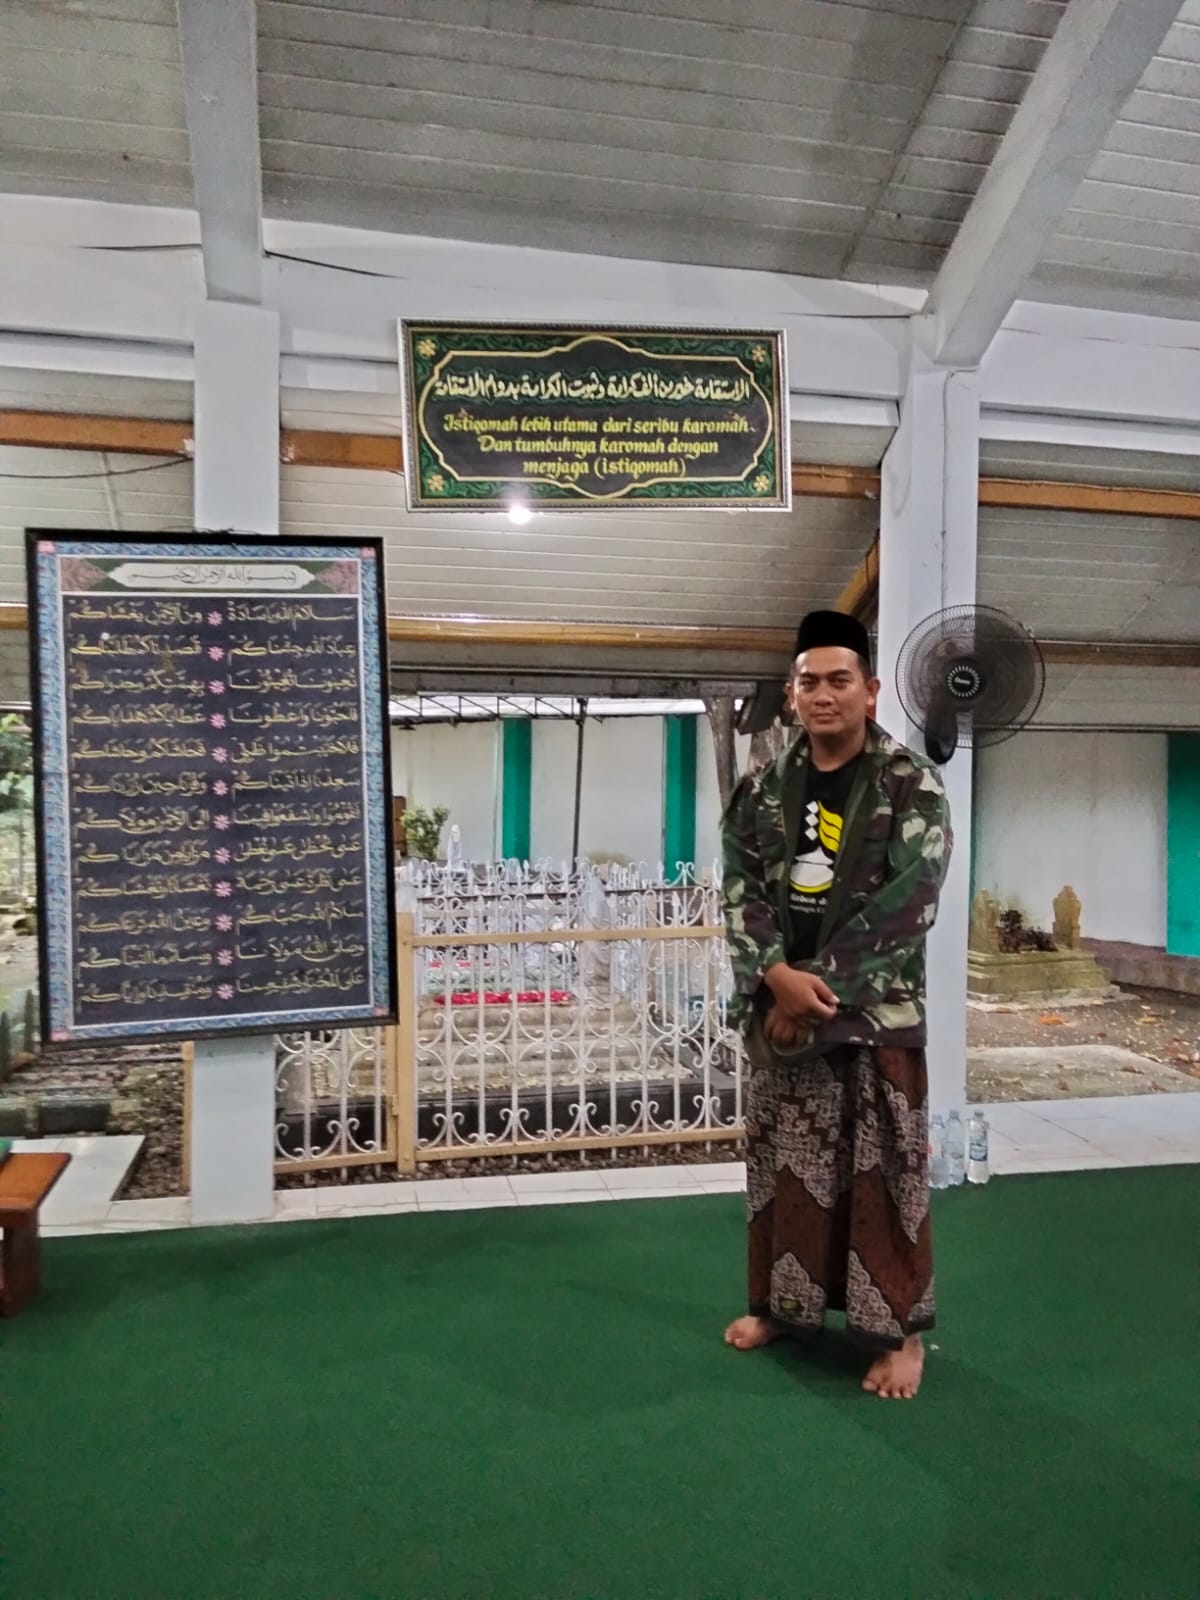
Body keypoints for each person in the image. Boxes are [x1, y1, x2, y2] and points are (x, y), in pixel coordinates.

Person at [720, 610, 951, 1399]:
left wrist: (815, 991)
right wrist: (773, 976)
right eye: (808, 682)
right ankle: (786, 1311)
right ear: (792, 694)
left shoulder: (910, 783)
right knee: (786, 1175)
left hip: (875, 1020)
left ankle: (902, 1338)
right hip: (781, 1014)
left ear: (870, 690)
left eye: (839, 680)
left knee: (885, 1183)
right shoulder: (761, 788)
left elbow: (910, 901)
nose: (823, 695)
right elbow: (738, 887)